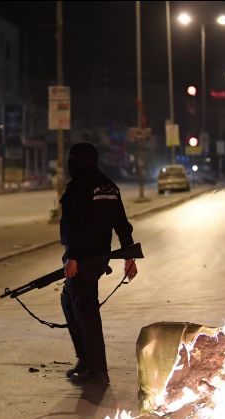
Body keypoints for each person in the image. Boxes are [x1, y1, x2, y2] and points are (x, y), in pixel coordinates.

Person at [59, 142, 138, 387]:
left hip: (81, 259)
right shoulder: (109, 186)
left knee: (86, 312)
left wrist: (72, 256)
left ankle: (97, 369)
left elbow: (73, 226)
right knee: (70, 302)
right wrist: (129, 256)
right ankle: (86, 360)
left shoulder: (78, 187)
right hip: (98, 258)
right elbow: (122, 225)